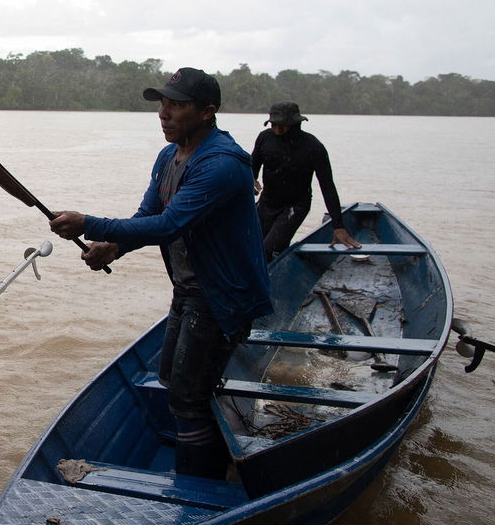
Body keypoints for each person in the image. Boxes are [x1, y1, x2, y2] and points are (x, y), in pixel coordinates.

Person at [48, 67, 272, 479]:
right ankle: (213, 456)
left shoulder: (221, 164)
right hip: (189, 289)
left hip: (222, 294)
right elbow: (148, 216)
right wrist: (113, 246)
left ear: (207, 112)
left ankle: (196, 484)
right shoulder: (169, 156)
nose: (164, 114)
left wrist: (90, 224)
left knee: (187, 396)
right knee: (174, 380)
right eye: (162, 104)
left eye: (176, 105)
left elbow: (170, 225)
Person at [251, 101, 360, 260]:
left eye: (281, 125)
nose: (276, 129)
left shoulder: (313, 147)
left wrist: (338, 226)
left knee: (267, 250)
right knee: (249, 244)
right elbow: (253, 165)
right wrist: (251, 179)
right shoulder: (264, 138)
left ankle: (271, 274)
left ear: (295, 124)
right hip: (266, 203)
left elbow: (327, 187)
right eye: (273, 124)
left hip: (295, 206)